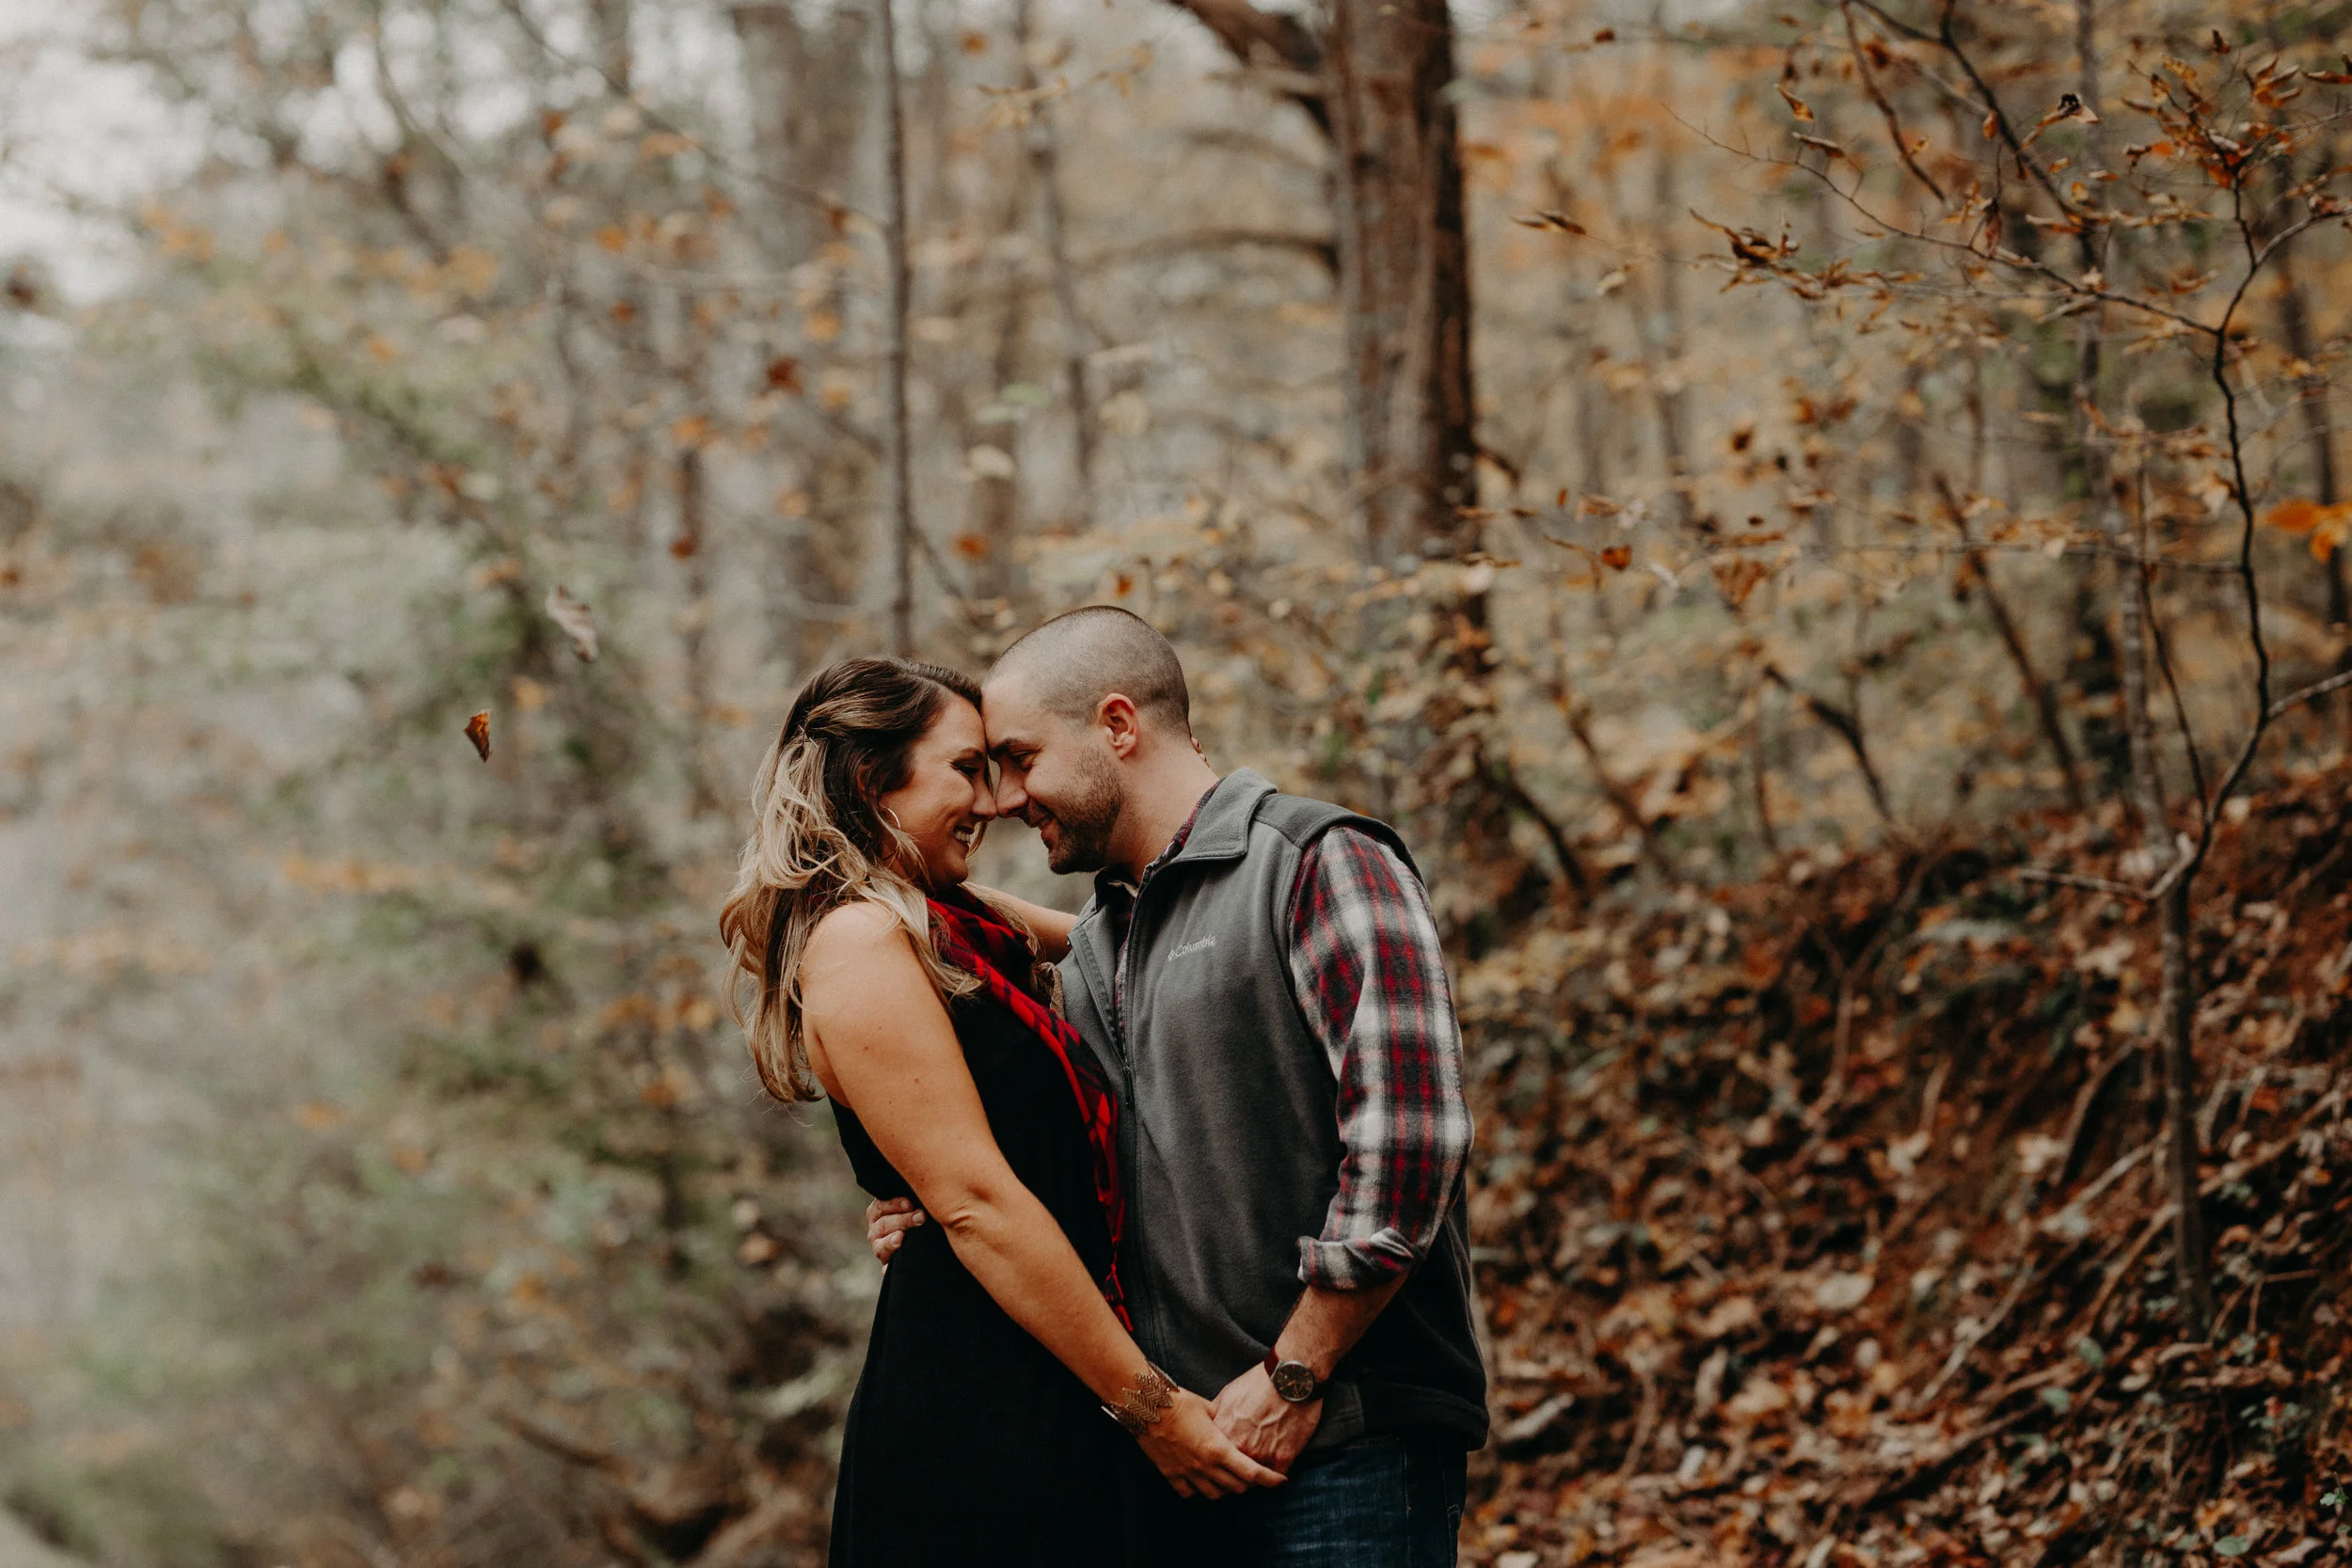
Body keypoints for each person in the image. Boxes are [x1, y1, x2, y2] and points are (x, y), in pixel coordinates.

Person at [866, 608, 1487, 1567]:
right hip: (1175, 1461)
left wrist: (1293, 1372)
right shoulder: (1093, 948)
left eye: (1020, 756)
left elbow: (1411, 1139)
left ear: (1117, 726)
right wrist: (922, 1208)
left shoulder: (1317, 860)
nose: (1004, 797)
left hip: (1345, 1443)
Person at [718, 657, 1283, 1568]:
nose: (996, 799)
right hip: (987, 1391)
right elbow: (977, 1199)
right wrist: (1149, 1405)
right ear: (872, 780)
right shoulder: (860, 936)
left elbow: (1138, 935)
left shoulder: (957, 916)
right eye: (966, 768)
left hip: (1065, 1362)